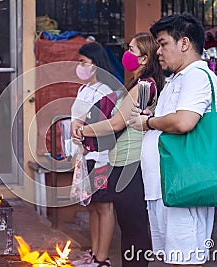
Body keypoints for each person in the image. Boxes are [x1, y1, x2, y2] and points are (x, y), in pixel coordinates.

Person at [128, 13, 217, 266]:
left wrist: (148, 122)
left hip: (183, 186)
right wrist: (154, 118)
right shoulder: (177, 78)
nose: (158, 51)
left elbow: (183, 122)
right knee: (171, 259)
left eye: (162, 43)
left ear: (184, 43)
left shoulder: (196, 76)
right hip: (167, 187)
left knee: (184, 261)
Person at [73, 32, 165, 267]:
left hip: (133, 164)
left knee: (134, 229)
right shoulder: (135, 84)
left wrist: (84, 131)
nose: (127, 54)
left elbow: (117, 123)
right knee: (130, 227)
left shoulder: (146, 86)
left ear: (144, 59)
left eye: (132, 50)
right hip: (123, 162)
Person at [70, 42, 116, 267]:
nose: (79, 66)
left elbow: (106, 126)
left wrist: (81, 130)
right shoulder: (84, 89)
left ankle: (102, 258)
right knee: (93, 206)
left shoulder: (105, 93)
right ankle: (94, 252)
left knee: (104, 206)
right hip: (85, 156)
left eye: (83, 62)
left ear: (96, 65)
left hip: (101, 158)